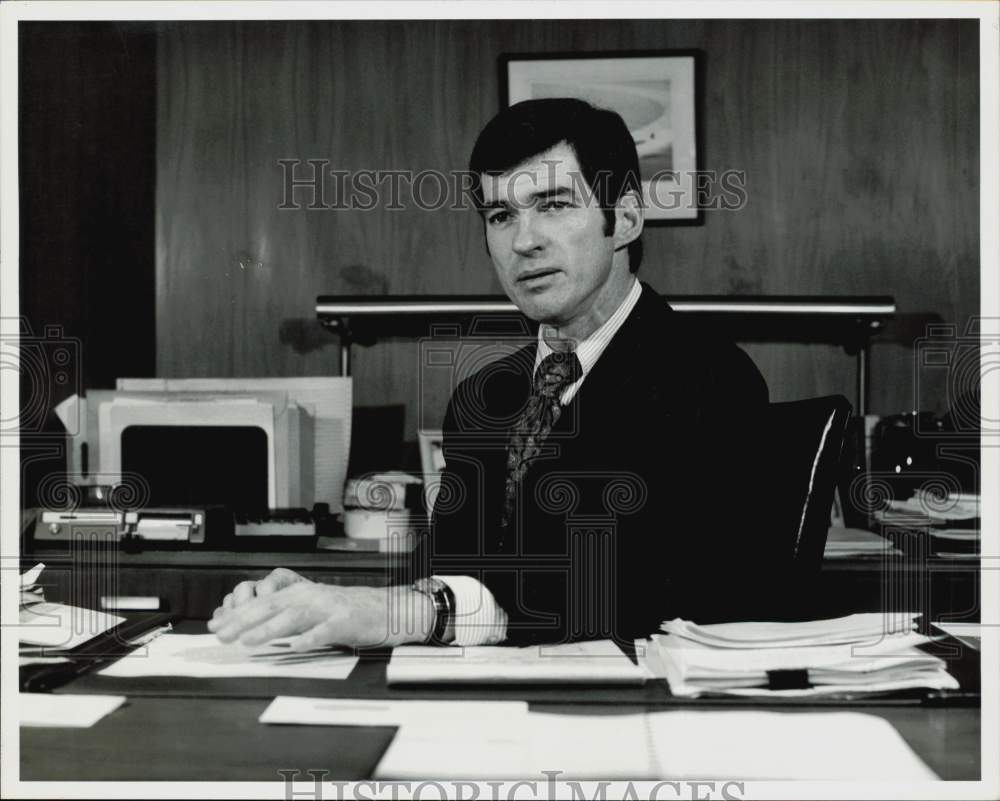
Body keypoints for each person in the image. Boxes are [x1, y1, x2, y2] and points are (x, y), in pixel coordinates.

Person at [208, 98, 768, 651]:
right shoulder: (484, 395)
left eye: (553, 205)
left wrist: (396, 610)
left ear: (623, 219)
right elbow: (451, 580)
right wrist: (325, 602)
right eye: (501, 215)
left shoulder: (710, 377)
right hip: (481, 707)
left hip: (630, 713)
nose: (524, 241)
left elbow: (641, 588)